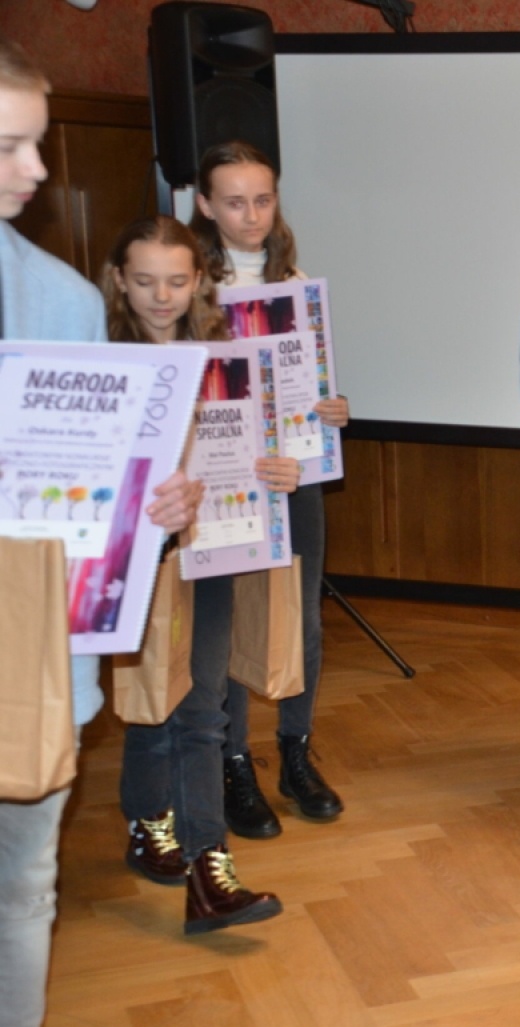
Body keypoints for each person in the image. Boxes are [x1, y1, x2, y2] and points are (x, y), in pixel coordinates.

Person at [0, 39, 202, 1027]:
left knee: (23, 886)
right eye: (11, 146)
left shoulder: (66, 303)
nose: (39, 171)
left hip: (36, 656)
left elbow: (95, 493)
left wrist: (150, 506)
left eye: (37, 143)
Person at [102, 215, 294, 934]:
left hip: (214, 547)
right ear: (118, 281)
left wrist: (278, 469)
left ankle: (209, 868)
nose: (162, 296)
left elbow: (261, 448)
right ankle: (148, 818)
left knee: (203, 708)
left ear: (199, 283)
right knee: (156, 702)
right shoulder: (101, 364)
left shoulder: (227, 361)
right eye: (145, 280)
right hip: (141, 558)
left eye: (177, 281)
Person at [190, 140, 351, 839]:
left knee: (301, 621)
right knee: (226, 626)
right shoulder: (188, 283)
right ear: (204, 205)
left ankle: (295, 753)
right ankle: (233, 763)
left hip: (293, 479)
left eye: (263, 199)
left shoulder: (295, 282)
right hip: (224, 483)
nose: (252, 215)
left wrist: (330, 411)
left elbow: (306, 388)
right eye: (234, 202)